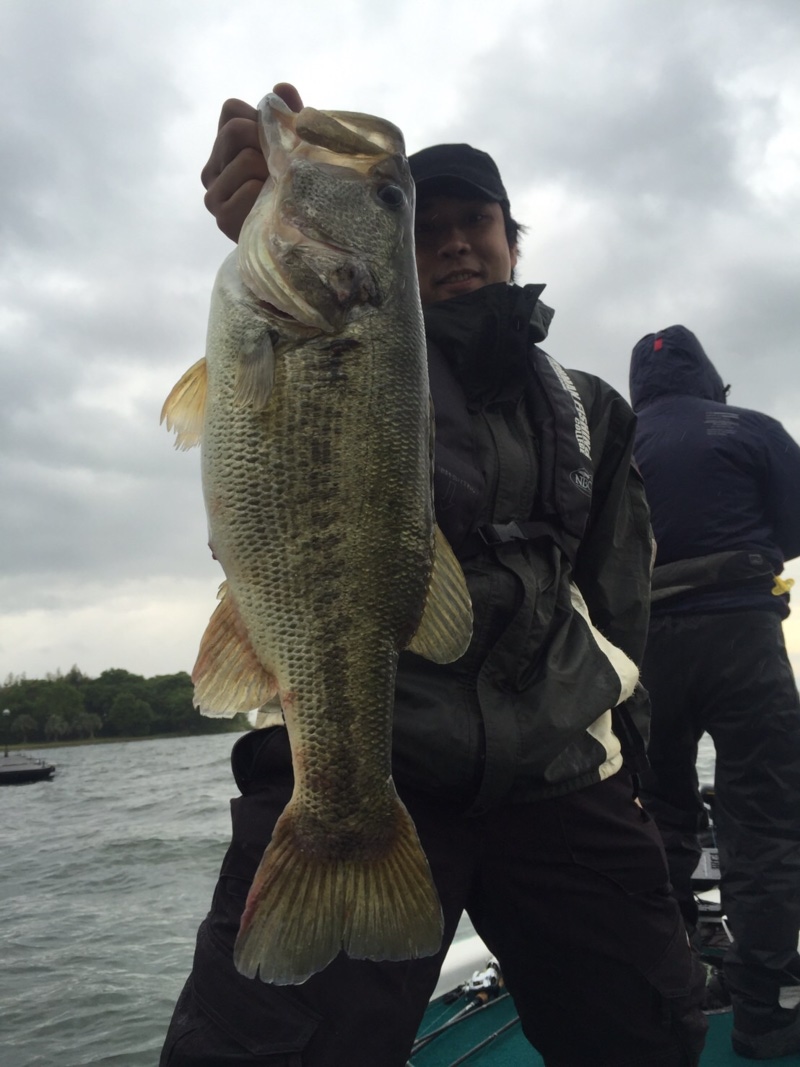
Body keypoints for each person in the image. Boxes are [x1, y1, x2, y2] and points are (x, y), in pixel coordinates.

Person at [159, 84, 707, 1067]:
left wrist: (637, 778)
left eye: (475, 223)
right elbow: (311, 376)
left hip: (558, 768)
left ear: (511, 241)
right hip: (376, 753)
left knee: (645, 1032)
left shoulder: (590, 409)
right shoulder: (354, 344)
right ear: (391, 262)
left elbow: (619, 606)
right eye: (424, 225)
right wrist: (268, 219)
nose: (453, 243)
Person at [630, 324, 800, 1060]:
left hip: (643, 652)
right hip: (742, 640)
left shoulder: (611, 442)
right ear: (708, 377)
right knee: (763, 821)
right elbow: (794, 529)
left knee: (655, 816)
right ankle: (768, 1012)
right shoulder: (751, 428)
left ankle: (676, 995)